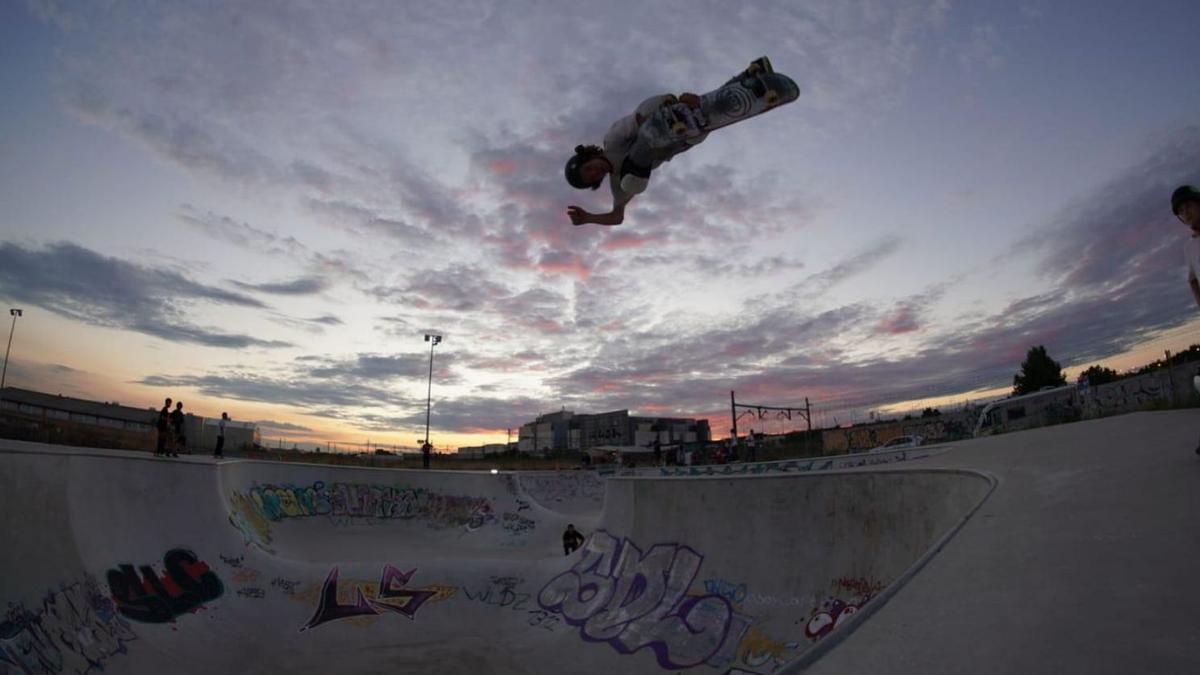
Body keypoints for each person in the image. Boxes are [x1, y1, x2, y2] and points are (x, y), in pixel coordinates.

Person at [565, 57, 773, 227]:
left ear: (588, 157)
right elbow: (617, 216)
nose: (594, 172)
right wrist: (588, 218)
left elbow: (638, 119)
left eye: (588, 168)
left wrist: (667, 113)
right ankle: (751, 75)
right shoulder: (617, 183)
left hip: (658, 111)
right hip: (684, 138)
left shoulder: (612, 141)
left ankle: (672, 116)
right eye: (591, 177)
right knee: (712, 113)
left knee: (641, 143)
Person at [1173, 184, 1200, 455]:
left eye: (1189, 206)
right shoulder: (1189, 248)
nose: (1186, 213)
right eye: (1181, 211)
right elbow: (1193, 280)